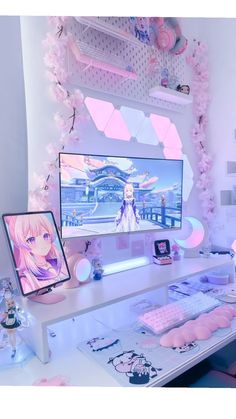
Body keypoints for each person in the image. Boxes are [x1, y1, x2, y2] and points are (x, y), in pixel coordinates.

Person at [5, 214, 67, 295]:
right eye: (31, 239)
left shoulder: (59, 264)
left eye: (45, 235)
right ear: (23, 243)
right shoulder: (27, 279)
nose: (42, 243)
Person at [0, 290, 21, 358]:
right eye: (9, 304)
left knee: (13, 335)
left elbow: (18, 312)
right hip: (9, 322)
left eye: (12, 303)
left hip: (13, 322)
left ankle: (14, 347)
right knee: (10, 336)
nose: (11, 305)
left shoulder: (14, 309)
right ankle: (13, 347)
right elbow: (4, 315)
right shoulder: (7, 310)